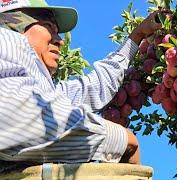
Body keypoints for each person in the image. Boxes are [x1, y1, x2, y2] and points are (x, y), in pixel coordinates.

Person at [0, 0, 162, 166]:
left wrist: (137, 35)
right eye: (49, 26)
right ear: (14, 24)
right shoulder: (6, 40)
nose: (60, 41)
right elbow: (13, 113)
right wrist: (118, 139)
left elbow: (93, 87)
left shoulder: (43, 90)